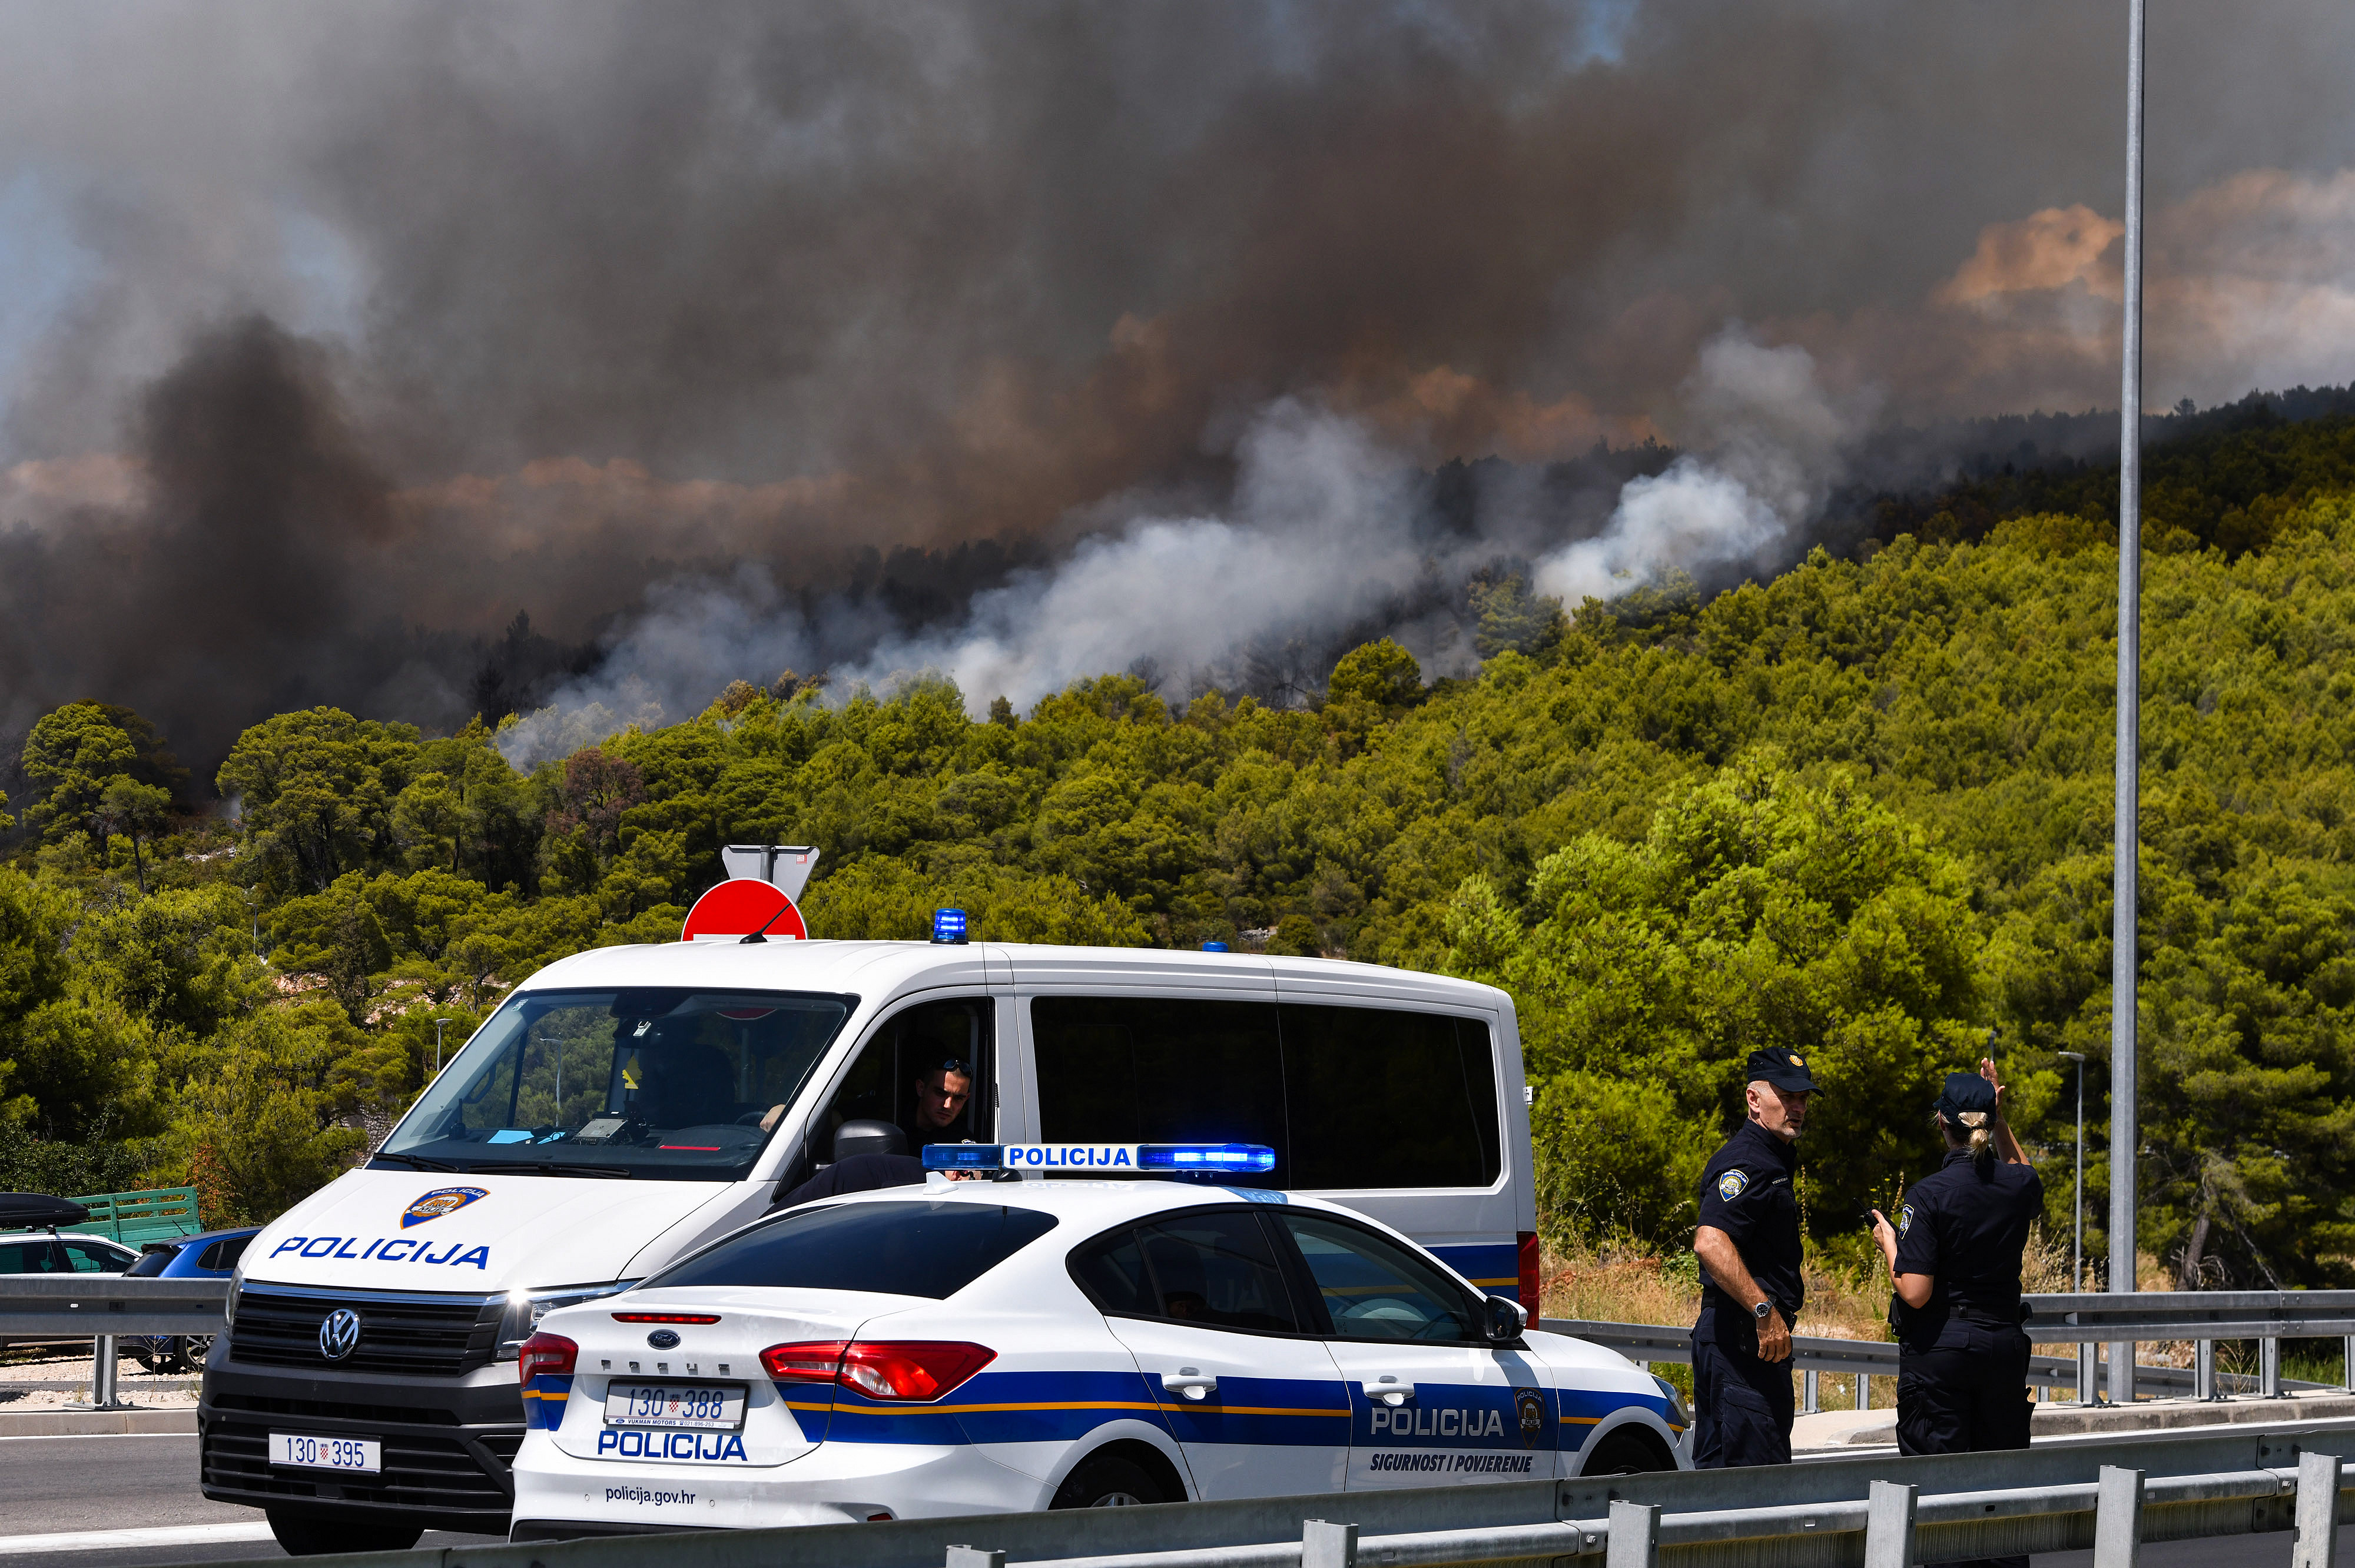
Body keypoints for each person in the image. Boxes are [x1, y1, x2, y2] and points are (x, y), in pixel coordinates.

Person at [1869, 1059, 2042, 1568]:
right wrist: (2000, 1116)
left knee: (1942, 1500)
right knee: (2001, 1495)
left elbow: (1915, 1292)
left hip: (1943, 1353)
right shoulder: (2016, 1190)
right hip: (2004, 1347)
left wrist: (1889, 1245)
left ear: (1942, 1125)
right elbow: (2025, 1175)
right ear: (1989, 1125)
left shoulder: (1929, 1194)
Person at [1690, 1047, 1817, 1468]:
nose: (1797, 1107)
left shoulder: (1773, 1158)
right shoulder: (1748, 1160)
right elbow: (1710, 1241)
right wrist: (1763, 1309)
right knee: (1751, 1494)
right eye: (1787, 1096)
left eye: (1803, 1099)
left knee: (1741, 1487)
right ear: (1754, 1099)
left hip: (1750, 1348)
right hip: (1739, 1344)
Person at [901, 1057, 974, 1158]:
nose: (948, 1105)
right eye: (940, 1093)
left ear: (966, 1099)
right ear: (921, 1089)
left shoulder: (962, 1144)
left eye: (958, 1098)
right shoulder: (894, 1125)